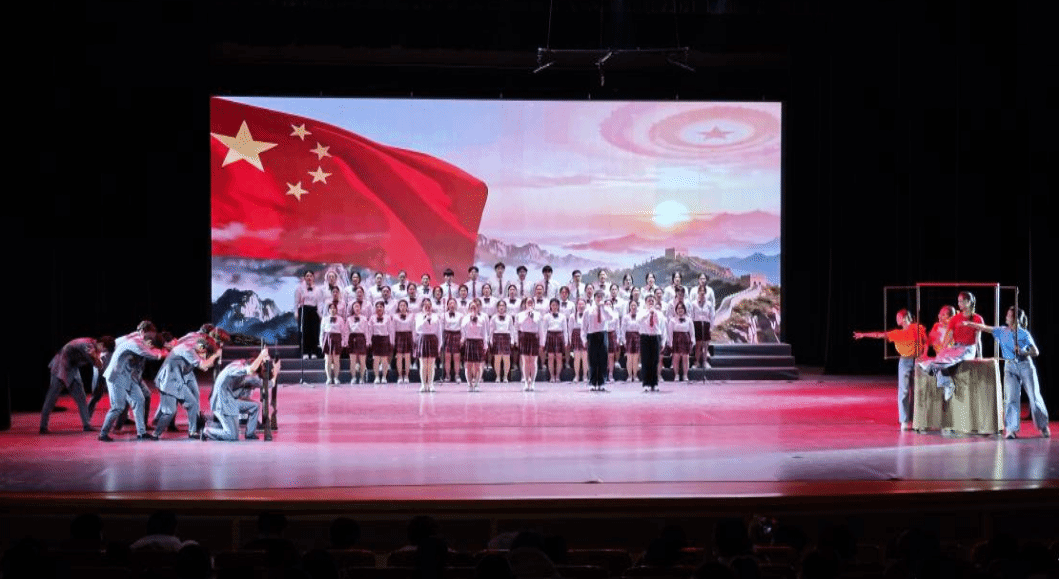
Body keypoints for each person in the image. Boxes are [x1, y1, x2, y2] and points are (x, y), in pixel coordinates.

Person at [962, 307, 1050, 439]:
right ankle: (1011, 429)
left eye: (1009, 315)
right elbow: (985, 328)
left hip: (1025, 365)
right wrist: (970, 324)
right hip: (1010, 367)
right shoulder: (1002, 331)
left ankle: (1043, 426)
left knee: (1034, 397)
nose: (1006, 317)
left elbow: (1035, 352)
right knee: (1010, 398)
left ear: (1015, 319)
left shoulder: (1023, 334)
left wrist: (1022, 351)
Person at [853, 309, 929, 431]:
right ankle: (904, 420)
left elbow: (926, 342)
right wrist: (864, 335)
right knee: (904, 391)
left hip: (918, 360)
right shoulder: (896, 333)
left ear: (904, 318)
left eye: (898, 317)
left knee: (917, 391)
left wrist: (924, 355)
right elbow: (879, 334)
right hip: (905, 361)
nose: (896, 320)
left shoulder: (917, 328)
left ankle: (916, 418)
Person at [99, 321, 169, 441]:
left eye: (152, 337)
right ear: (142, 332)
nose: (150, 340)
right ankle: (103, 434)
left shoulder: (140, 341)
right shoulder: (134, 342)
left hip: (128, 377)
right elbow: (151, 355)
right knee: (118, 407)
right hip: (116, 376)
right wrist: (165, 352)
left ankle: (141, 433)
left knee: (139, 399)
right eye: (149, 336)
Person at [919, 291, 983, 402]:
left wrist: (980, 356)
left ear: (969, 302)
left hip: (968, 348)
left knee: (946, 361)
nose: (959, 304)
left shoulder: (977, 318)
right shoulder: (955, 319)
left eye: (961, 301)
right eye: (958, 301)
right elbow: (948, 337)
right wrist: (943, 350)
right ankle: (947, 383)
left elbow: (978, 339)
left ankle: (942, 378)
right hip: (956, 347)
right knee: (939, 358)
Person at [153, 337, 221, 438]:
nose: (204, 355)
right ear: (202, 348)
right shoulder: (188, 350)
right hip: (167, 382)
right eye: (205, 352)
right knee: (170, 412)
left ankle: (192, 432)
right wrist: (216, 355)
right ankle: (156, 434)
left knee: (193, 404)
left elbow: (205, 367)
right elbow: (203, 366)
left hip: (178, 382)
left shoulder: (193, 348)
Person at [203, 348, 274, 441]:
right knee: (232, 436)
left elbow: (252, 370)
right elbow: (252, 371)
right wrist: (262, 356)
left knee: (255, 406)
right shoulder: (238, 369)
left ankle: (250, 433)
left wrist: (262, 360)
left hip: (230, 401)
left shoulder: (241, 364)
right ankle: (207, 431)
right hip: (221, 404)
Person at [40, 336, 106, 434]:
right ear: (100, 343)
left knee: (81, 397)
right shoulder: (87, 346)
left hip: (72, 369)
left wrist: (96, 357)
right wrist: (95, 357)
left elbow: (99, 365)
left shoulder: (95, 348)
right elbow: (97, 364)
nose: (104, 350)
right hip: (61, 365)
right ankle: (43, 426)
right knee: (52, 397)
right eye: (104, 347)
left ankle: (87, 425)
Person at [583, 290, 615, 392]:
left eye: (601, 297)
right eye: (597, 297)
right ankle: (592, 382)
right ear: (594, 298)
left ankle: (602, 382)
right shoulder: (588, 310)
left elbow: (611, 318)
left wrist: (603, 308)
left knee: (603, 359)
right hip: (592, 334)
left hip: (603, 333)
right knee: (592, 360)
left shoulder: (607, 309)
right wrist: (584, 338)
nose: (599, 299)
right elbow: (584, 326)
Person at [638, 295, 667, 391]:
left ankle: (654, 383)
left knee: (655, 361)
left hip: (656, 337)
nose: (651, 302)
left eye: (652, 301)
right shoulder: (642, 312)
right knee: (645, 360)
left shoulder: (659, 314)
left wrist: (663, 341)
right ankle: (646, 383)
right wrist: (648, 313)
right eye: (649, 301)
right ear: (645, 302)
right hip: (645, 337)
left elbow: (663, 328)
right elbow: (639, 321)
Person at [415, 298, 443, 392]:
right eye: (425, 306)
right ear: (422, 307)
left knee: (431, 364)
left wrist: (439, 345)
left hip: (433, 339)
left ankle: (431, 384)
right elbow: (417, 328)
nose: (427, 308)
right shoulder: (419, 317)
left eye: (429, 306)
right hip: (423, 338)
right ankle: (423, 384)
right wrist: (425, 319)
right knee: (423, 364)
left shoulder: (436, 317)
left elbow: (439, 331)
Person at [295, 270, 323, 359]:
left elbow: (319, 302)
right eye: (307, 276)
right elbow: (296, 302)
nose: (309, 278)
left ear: (313, 278)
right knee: (304, 332)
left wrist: (320, 314)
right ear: (304, 278)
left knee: (314, 332)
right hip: (304, 310)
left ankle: (314, 352)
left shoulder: (318, 289)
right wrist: (296, 312)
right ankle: (305, 352)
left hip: (314, 310)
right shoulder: (300, 289)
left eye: (311, 276)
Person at [516, 297, 543, 391]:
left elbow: (540, 328)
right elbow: (519, 325)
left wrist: (542, 342)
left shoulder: (538, 314)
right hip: (524, 337)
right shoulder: (520, 315)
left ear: (534, 304)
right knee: (525, 361)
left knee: (533, 361)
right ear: (525, 304)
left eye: (532, 302)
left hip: (534, 337)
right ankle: (526, 382)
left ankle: (533, 382)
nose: (530, 304)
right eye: (528, 302)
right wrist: (527, 314)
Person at [461, 300, 488, 391]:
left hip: (478, 342)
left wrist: (485, 344)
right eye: (471, 308)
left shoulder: (482, 319)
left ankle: (476, 384)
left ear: (477, 308)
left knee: (477, 365)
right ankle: (469, 384)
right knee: (468, 365)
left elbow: (484, 333)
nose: (473, 309)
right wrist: (470, 319)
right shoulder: (465, 319)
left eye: (475, 307)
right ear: (469, 309)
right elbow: (463, 330)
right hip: (469, 341)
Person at [487, 299, 516, 383]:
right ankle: (498, 376)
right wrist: (490, 340)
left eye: (503, 306)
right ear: (497, 307)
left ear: (505, 307)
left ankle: (505, 376)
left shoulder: (509, 317)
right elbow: (491, 330)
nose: (501, 307)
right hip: (497, 337)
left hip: (506, 337)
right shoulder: (493, 317)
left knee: (506, 358)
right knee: (497, 358)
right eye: (500, 305)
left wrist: (512, 340)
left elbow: (512, 329)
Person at [540, 298, 568, 383]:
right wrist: (543, 342)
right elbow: (544, 330)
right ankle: (552, 376)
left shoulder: (563, 316)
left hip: (559, 335)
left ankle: (558, 376)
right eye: (553, 305)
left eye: (556, 305)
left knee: (559, 357)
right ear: (550, 306)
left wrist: (566, 341)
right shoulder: (546, 316)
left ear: (558, 306)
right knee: (550, 357)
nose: (554, 307)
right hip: (550, 335)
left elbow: (565, 329)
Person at [320, 302, 346, 385]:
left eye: (334, 308)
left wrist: (343, 341)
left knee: (336, 360)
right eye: (331, 308)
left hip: (337, 339)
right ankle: (328, 378)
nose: (332, 310)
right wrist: (321, 343)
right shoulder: (325, 319)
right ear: (328, 310)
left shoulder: (340, 319)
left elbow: (343, 332)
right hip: (327, 339)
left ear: (337, 309)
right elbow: (322, 332)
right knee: (328, 360)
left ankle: (336, 378)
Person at [691, 282, 716, 370]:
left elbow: (712, 316)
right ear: (698, 292)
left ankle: (705, 362)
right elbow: (691, 316)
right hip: (697, 324)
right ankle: (696, 362)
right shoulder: (694, 303)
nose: (702, 293)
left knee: (705, 345)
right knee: (698, 345)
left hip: (706, 324)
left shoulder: (709, 304)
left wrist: (711, 327)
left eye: (703, 291)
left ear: (705, 293)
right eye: (700, 291)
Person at [368, 300, 394, 384]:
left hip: (384, 339)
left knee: (384, 360)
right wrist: (369, 340)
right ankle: (376, 377)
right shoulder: (372, 318)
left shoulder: (388, 317)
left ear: (383, 308)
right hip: (375, 339)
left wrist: (391, 341)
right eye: (377, 307)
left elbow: (390, 330)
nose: (379, 308)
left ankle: (384, 377)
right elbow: (370, 330)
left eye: (381, 307)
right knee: (376, 359)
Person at [668, 302, 695, 382]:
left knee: (685, 358)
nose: (680, 310)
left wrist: (692, 341)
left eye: (682, 308)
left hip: (685, 339)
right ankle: (676, 375)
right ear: (676, 310)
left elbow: (692, 332)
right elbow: (670, 333)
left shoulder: (689, 320)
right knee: (676, 358)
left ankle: (685, 375)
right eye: (678, 308)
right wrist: (670, 342)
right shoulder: (672, 320)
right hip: (676, 339)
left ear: (684, 310)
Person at [345, 301, 370, 384]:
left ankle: (362, 378)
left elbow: (366, 331)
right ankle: (353, 377)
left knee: (362, 360)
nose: (357, 308)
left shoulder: (364, 318)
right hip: (352, 338)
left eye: (358, 306)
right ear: (352, 308)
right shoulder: (349, 319)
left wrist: (368, 341)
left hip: (361, 338)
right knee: (353, 360)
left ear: (360, 308)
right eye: (355, 306)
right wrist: (346, 341)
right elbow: (346, 331)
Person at [392, 299, 415, 384]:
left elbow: (413, 328)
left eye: (404, 305)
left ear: (407, 307)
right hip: (398, 336)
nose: (402, 307)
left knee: (407, 357)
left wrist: (414, 339)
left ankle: (407, 376)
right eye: (401, 305)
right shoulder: (395, 316)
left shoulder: (411, 316)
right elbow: (392, 329)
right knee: (399, 357)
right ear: (398, 307)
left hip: (408, 335)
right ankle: (400, 376)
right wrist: (392, 340)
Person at [441, 297, 463, 383]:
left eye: (453, 303)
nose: (452, 305)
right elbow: (441, 328)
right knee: (447, 357)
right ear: (447, 305)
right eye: (450, 303)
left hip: (457, 335)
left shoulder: (460, 315)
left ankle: (457, 375)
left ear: (456, 305)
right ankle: (447, 375)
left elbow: (462, 328)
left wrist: (462, 338)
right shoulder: (443, 315)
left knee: (457, 357)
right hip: (447, 335)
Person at [619, 300, 642, 383]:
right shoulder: (626, 317)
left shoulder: (640, 316)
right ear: (629, 307)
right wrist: (623, 340)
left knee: (636, 358)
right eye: (632, 305)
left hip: (637, 337)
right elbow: (623, 329)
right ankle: (629, 375)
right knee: (629, 358)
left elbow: (642, 328)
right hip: (628, 337)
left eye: (635, 305)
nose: (633, 307)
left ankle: (635, 375)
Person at [569, 299, 588, 383]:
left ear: (585, 305)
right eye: (579, 304)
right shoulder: (572, 316)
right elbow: (570, 329)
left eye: (582, 304)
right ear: (576, 306)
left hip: (585, 335)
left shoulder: (588, 315)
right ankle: (576, 376)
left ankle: (585, 376)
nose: (581, 306)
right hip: (576, 335)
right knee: (576, 357)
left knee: (585, 357)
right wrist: (570, 340)